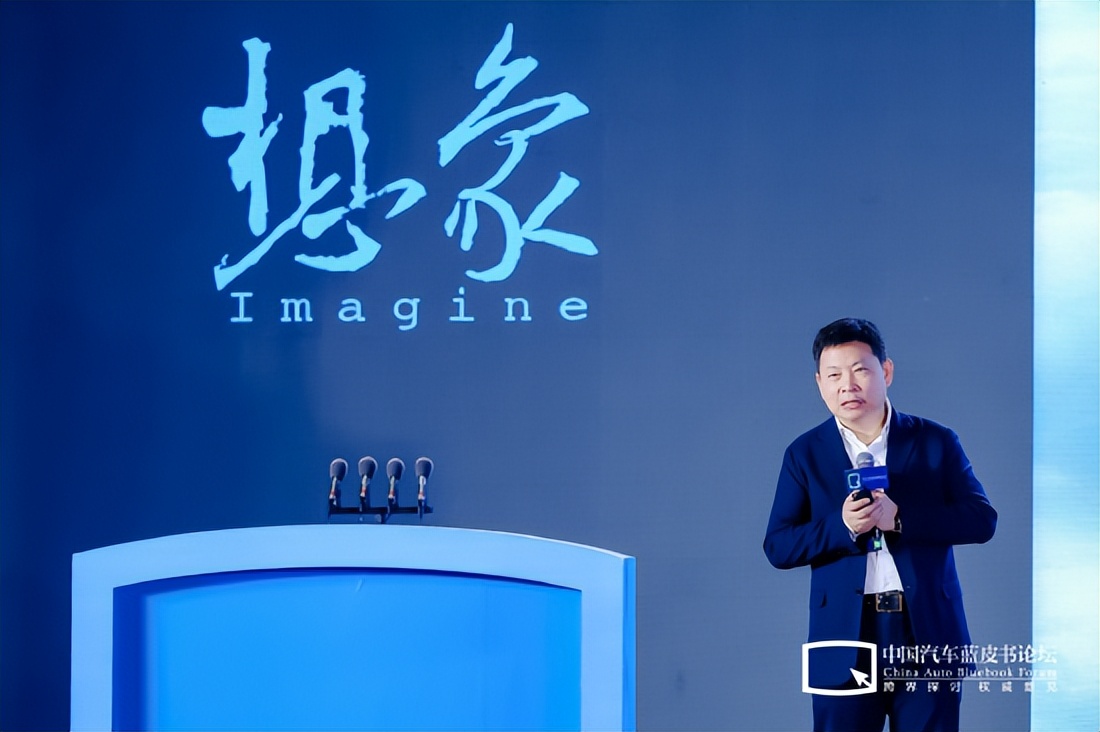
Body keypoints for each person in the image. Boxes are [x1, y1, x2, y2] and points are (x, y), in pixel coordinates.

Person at [763, 318, 997, 732]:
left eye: (860, 371)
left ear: (886, 371)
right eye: (834, 375)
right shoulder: (804, 453)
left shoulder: (935, 440)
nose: (847, 386)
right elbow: (778, 546)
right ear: (819, 383)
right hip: (844, 637)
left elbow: (982, 520)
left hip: (925, 630)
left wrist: (900, 519)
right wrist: (842, 526)